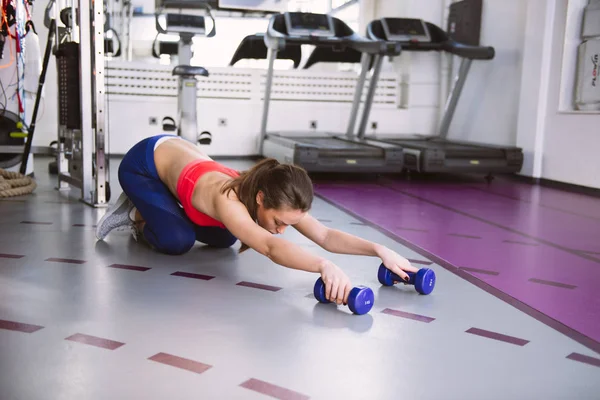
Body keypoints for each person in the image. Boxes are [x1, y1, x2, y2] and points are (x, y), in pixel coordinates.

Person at [96, 134, 419, 305]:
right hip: (144, 164)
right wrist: (324, 266)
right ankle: (135, 212)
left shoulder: (268, 194)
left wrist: (379, 250)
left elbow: (324, 236)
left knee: (225, 238)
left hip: (180, 159)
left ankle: (163, 209)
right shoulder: (227, 197)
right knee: (176, 240)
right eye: (280, 222)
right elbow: (269, 246)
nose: (282, 229)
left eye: (288, 224)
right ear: (261, 199)